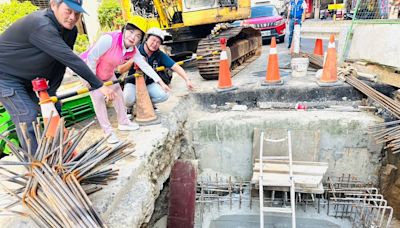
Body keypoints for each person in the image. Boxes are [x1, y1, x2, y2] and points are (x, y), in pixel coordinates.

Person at [0, 0, 116, 154]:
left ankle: (61, 156)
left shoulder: (70, 31)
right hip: (5, 78)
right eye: (68, 11)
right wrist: (99, 85)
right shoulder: (41, 25)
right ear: (54, 5)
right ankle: (38, 167)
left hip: (29, 79)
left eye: (77, 13)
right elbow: (70, 58)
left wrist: (51, 92)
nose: (72, 17)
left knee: (55, 107)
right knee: (27, 116)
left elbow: (60, 64)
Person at [80, 23, 170, 144]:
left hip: (107, 72)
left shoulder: (132, 50)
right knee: (99, 99)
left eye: (138, 36)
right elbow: (91, 58)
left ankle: (124, 122)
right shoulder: (109, 39)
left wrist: (161, 82)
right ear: (124, 30)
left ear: (140, 40)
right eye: (131, 32)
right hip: (89, 70)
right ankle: (108, 133)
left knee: (118, 93)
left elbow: (145, 66)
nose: (133, 37)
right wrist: (95, 83)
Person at [118, 27, 194, 115]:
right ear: (146, 39)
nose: (155, 44)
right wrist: (133, 60)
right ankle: (129, 108)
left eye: (158, 42)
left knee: (163, 95)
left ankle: (148, 103)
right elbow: (120, 69)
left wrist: (187, 80)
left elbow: (175, 66)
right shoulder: (135, 50)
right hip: (132, 83)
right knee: (128, 98)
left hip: (149, 83)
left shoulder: (159, 54)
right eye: (153, 40)